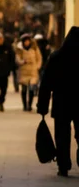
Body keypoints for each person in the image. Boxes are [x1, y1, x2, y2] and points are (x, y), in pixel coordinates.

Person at [37, 26, 79, 177]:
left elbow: (46, 83)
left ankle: (63, 165)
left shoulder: (56, 57)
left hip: (61, 102)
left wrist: (42, 106)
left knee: (62, 135)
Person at [16, 33, 42, 112]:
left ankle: (29, 105)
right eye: (25, 41)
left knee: (31, 89)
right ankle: (24, 105)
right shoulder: (20, 50)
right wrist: (22, 62)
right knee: (24, 90)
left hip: (33, 72)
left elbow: (39, 58)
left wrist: (37, 67)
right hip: (23, 72)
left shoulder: (34, 48)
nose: (27, 42)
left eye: (28, 41)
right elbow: (17, 59)